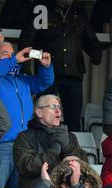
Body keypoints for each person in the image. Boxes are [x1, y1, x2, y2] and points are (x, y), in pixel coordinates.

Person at [0, 42, 54, 188]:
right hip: (1, 144)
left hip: (23, 144)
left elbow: (45, 82)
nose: (11, 57)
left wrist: (46, 67)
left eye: (12, 53)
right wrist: (13, 61)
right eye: (6, 53)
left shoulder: (21, 79)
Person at [18, 0, 102, 132]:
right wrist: (27, 67)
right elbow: (27, 40)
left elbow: (90, 39)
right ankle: (44, 151)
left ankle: (71, 151)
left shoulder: (78, 12)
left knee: (73, 121)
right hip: (47, 76)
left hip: (73, 75)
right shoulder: (41, 9)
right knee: (44, 120)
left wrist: (97, 56)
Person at [13, 94, 87, 188]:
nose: (58, 111)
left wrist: (67, 148)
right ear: (39, 112)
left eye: (59, 107)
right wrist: (53, 151)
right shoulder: (24, 137)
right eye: (53, 107)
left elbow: (84, 166)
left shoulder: (70, 137)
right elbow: (26, 167)